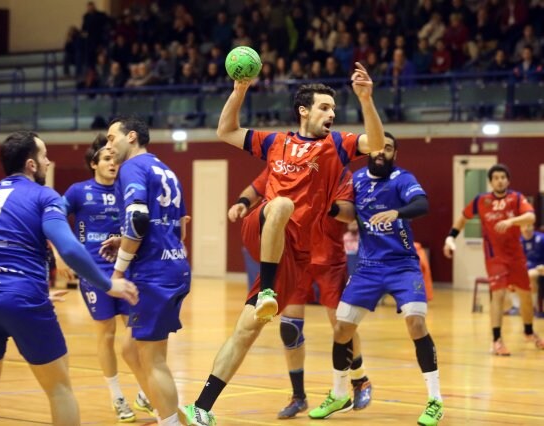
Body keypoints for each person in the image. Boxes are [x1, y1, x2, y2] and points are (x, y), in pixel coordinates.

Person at [181, 62, 385, 426]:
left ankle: (201, 406)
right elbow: (225, 130)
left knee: (246, 330)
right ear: (303, 110)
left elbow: (379, 143)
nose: (331, 114)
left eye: (334, 109)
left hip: (296, 252)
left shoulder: (337, 146)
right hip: (261, 227)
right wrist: (239, 90)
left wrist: (366, 100)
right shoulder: (276, 142)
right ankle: (268, 291)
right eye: (324, 107)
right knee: (281, 204)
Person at [0, 131, 138, 426]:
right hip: (24, 298)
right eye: (45, 155)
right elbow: (70, 247)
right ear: (32, 164)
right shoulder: (44, 195)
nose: (50, 161)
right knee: (60, 390)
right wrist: (109, 283)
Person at [309, 133, 443, 426]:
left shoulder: (402, 178)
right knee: (341, 329)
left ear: (395, 153)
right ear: (369, 150)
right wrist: (328, 207)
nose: (382, 152)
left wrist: (397, 211)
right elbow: (349, 213)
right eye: (379, 147)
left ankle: (435, 400)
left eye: (389, 148)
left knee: (416, 322)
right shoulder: (355, 179)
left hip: (402, 265)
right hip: (368, 267)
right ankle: (339, 394)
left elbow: (422, 204)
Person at [228, 167, 372, 420]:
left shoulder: (338, 171)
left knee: (342, 325)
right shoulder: (287, 162)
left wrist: (322, 202)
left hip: (329, 259)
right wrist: (241, 203)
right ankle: (298, 396)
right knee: (290, 328)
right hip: (294, 256)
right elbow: (256, 187)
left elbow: (350, 213)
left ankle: (360, 380)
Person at [103, 116, 191, 426]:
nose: (108, 145)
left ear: (131, 137)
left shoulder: (132, 168)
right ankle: (165, 410)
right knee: (129, 349)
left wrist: (117, 271)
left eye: (112, 138)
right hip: (175, 265)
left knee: (152, 359)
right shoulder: (164, 168)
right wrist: (125, 239)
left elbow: (138, 221)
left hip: (155, 272)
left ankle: (170, 422)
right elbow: (179, 226)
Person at [62, 135, 153, 422]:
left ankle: (143, 392)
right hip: (93, 273)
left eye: (115, 158)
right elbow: (51, 219)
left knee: (136, 336)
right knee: (107, 335)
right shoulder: (78, 191)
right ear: (94, 164)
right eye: (106, 159)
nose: (113, 162)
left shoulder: (127, 188)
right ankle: (117, 397)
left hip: (125, 271)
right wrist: (62, 254)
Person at [444, 164, 544, 355]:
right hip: (494, 257)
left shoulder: (516, 198)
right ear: (490, 181)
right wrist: (450, 238)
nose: (500, 180)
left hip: (516, 255)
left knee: (525, 295)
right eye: (496, 177)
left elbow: (530, 217)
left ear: (508, 180)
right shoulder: (481, 201)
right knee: (498, 295)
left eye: (503, 177)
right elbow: (463, 219)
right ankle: (497, 340)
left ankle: (529, 332)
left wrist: (511, 221)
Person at [520, 224, 544, 315]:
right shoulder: (518, 241)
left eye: (528, 226)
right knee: (511, 276)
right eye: (524, 226)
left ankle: (533, 305)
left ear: (533, 227)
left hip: (539, 267)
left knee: (531, 275)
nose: (526, 228)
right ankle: (515, 306)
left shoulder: (541, 239)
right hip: (523, 268)